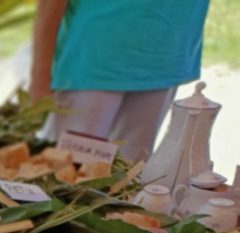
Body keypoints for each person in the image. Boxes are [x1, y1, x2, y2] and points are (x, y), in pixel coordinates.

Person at [30, 0, 210, 162]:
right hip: (94, 59)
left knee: (126, 182)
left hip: (167, 53)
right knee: (64, 178)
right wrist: (41, 74)